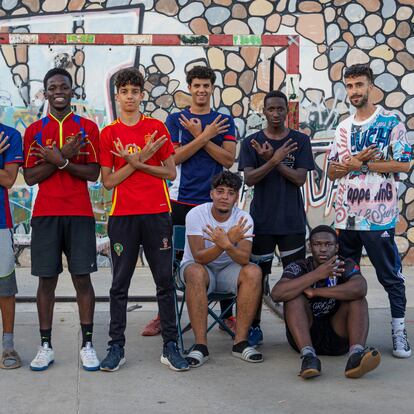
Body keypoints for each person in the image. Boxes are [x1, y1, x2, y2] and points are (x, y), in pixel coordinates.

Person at [99, 67, 188, 372]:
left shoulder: (156, 129)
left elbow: (170, 172)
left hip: (156, 213)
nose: (129, 97)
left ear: (142, 95)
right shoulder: (108, 133)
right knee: (119, 284)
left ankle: (170, 346)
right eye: (124, 92)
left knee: (164, 282)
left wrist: (136, 162)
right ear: (117, 96)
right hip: (123, 216)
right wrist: (139, 161)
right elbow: (109, 182)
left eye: (134, 92)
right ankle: (116, 347)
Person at [142, 65, 237, 336]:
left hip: (216, 203)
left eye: (206, 85)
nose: (201, 90)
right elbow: (173, 158)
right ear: (190, 88)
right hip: (179, 200)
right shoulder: (175, 120)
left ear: (212, 88)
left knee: (223, 254)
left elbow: (228, 159)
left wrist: (199, 135)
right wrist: (206, 136)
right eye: (197, 85)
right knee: (170, 261)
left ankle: (227, 315)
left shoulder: (223, 120)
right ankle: (165, 314)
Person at [327, 63, 412, 358]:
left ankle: (399, 332)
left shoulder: (391, 122)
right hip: (346, 218)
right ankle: (344, 333)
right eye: (349, 86)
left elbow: (403, 165)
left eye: (359, 85)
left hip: (379, 218)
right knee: (345, 278)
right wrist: (348, 163)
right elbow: (332, 173)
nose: (354, 91)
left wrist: (361, 164)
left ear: (371, 86)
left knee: (390, 276)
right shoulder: (343, 127)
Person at [23, 68, 100, 371]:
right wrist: (59, 160)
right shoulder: (34, 131)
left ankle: (88, 344)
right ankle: (46, 346)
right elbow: (30, 178)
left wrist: (60, 160)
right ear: (45, 92)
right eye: (52, 87)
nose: (58, 91)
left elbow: (93, 174)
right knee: (47, 280)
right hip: (45, 214)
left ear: (72, 90)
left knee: (82, 278)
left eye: (63, 86)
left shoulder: (87, 129)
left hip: (79, 213)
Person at [239, 90, 315, 346]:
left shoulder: (300, 141)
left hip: (292, 222)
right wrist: (274, 161)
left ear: (287, 111)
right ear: (264, 111)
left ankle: (296, 330)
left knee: (294, 278)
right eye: (270, 109)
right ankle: (254, 327)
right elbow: (249, 178)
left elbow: (299, 179)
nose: (275, 114)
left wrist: (273, 159)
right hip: (260, 222)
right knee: (257, 279)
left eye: (280, 109)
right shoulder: (251, 142)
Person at [271, 225, 381, 379]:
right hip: (305, 333)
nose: (323, 249)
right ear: (310, 246)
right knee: (292, 298)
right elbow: (277, 293)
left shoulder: (345, 264)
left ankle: (356, 357)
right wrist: (316, 275)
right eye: (317, 244)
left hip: (337, 334)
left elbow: (360, 288)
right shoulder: (299, 266)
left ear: (337, 248)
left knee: (358, 299)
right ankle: (309, 357)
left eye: (328, 245)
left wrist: (316, 291)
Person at [180, 171, 263, 367]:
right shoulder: (196, 214)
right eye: (220, 191)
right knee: (195, 271)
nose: (225, 196)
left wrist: (227, 244)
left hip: (229, 268)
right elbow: (199, 256)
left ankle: (240, 343)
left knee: (253, 271)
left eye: (231, 192)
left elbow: (243, 259)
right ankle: (201, 346)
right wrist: (226, 243)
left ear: (236, 197)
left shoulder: (243, 219)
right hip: (199, 269)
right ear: (211, 194)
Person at [0, 124, 23, 369]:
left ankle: (8, 345)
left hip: (0, 221)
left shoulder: (9, 135)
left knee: (4, 287)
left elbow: (7, 179)